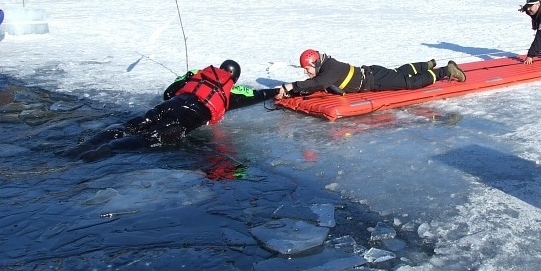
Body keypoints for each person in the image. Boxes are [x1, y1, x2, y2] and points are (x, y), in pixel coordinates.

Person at [66, 60, 279, 160]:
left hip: (173, 103)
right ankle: (102, 153)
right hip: (191, 115)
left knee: (132, 125)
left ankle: (83, 147)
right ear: (234, 78)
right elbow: (256, 95)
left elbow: (168, 93)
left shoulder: (197, 73)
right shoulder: (232, 90)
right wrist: (275, 92)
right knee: (151, 138)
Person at [276, 49, 466, 99]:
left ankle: (444, 71)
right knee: (399, 73)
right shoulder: (326, 68)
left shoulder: (330, 68)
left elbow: (318, 84)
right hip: (373, 74)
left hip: (375, 79)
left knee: (410, 83)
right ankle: (427, 64)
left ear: (315, 63)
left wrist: (291, 85)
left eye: (307, 69)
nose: (306, 73)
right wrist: (291, 91)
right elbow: (314, 84)